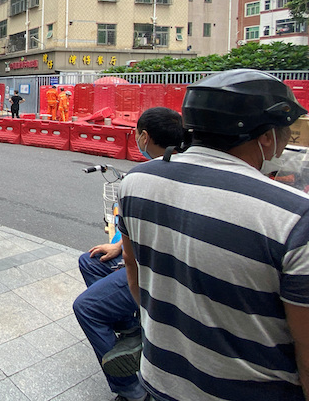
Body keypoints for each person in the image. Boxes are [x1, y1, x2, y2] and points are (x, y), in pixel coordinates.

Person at [119, 70, 309, 401]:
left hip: (159, 378)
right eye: (286, 133)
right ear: (265, 137)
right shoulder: (294, 217)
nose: (287, 141)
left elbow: (132, 271)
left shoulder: (136, 181)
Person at [73, 107, 184, 401]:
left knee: (87, 307)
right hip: (158, 259)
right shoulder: (186, 168)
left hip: (154, 270)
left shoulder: (140, 178)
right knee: (90, 261)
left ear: (144, 137)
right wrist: (117, 247)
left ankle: (131, 390)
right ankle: (129, 326)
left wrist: (138, 296)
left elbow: (133, 260)